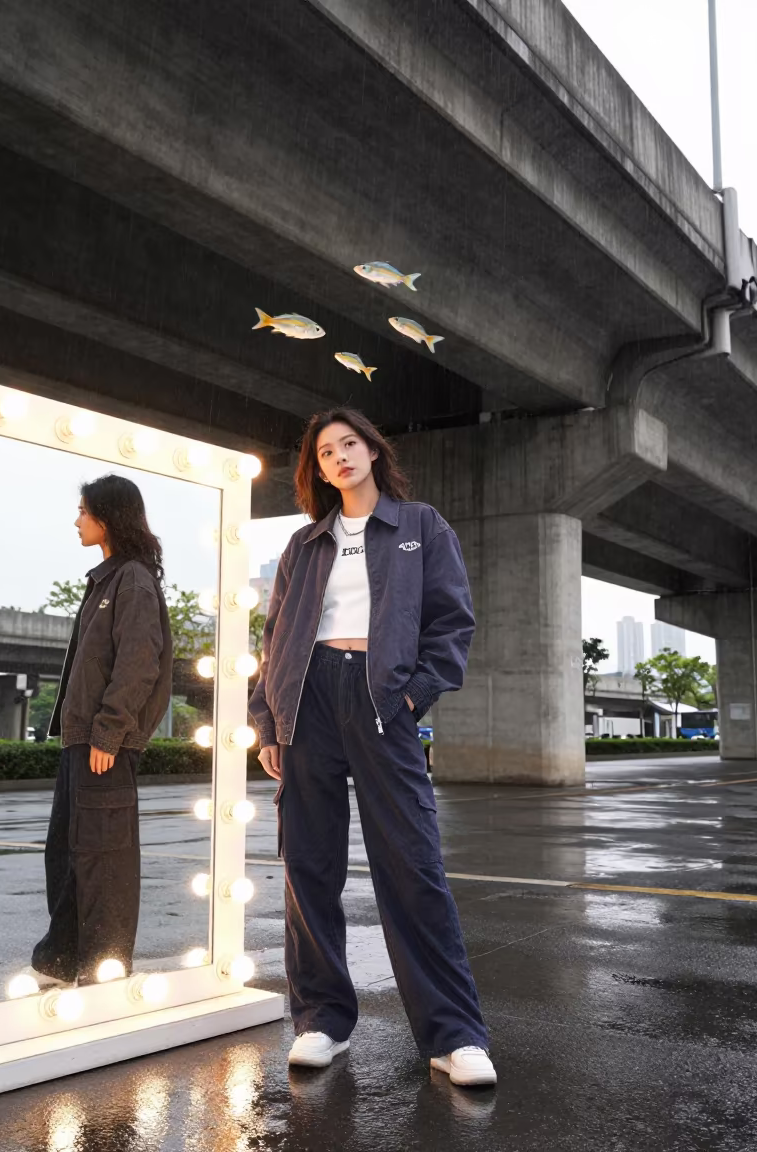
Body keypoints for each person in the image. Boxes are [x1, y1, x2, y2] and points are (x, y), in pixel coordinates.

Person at [248, 408, 495, 1088]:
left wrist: (414, 695)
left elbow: (452, 622)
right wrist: (268, 722)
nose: (339, 457)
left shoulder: (420, 526)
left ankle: (454, 1035)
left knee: (413, 864)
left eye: (349, 443)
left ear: (373, 450)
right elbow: (275, 638)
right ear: (319, 471)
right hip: (307, 701)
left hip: (383, 699)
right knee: (309, 865)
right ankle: (321, 1020)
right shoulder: (304, 544)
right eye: (325, 453)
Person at [29, 474, 173, 987]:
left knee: (103, 859)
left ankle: (102, 971)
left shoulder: (132, 580)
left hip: (102, 742)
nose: (77, 521)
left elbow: (139, 663)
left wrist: (109, 733)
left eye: (83, 511)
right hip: (82, 739)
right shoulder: (108, 580)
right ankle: (62, 959)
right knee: (68, 851)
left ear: (107, 518)